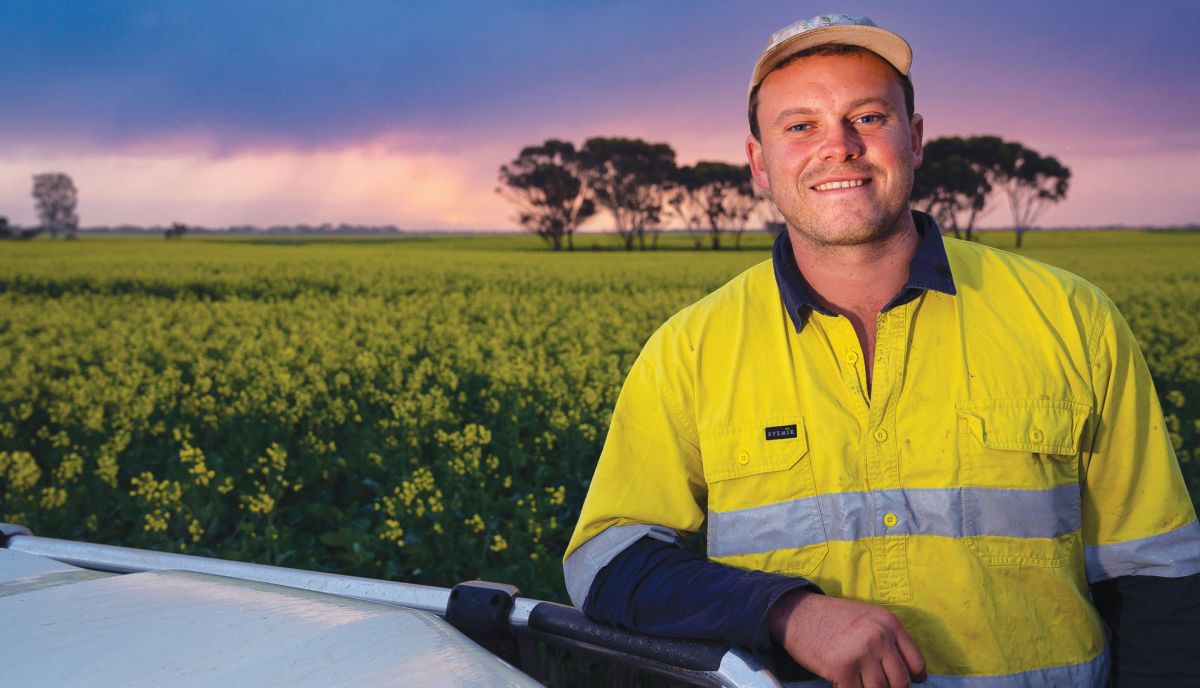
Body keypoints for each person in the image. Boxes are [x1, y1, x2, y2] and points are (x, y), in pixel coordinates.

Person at [564, 13, 1200, 687]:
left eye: (868, 117)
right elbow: (607, 561)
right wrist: (787, 614)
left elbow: (1161, 577)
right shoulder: (691, 349)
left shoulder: (1073, 318)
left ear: (915, 139)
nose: (839, 147)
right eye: (800, 125)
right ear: (759, 162)